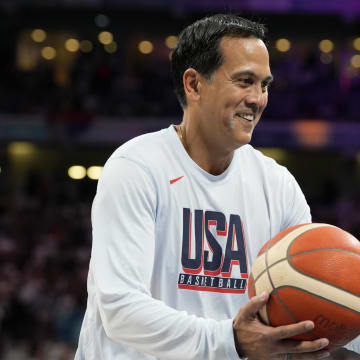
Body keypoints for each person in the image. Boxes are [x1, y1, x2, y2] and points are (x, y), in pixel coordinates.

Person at [75, 14, 359, 359]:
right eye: (244, 81)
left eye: (264, 84)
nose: (258, 99)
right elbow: (120, 310)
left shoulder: (277, 184)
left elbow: (321, 292)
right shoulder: (137, 168)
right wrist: (231, 340)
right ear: (194, 84)